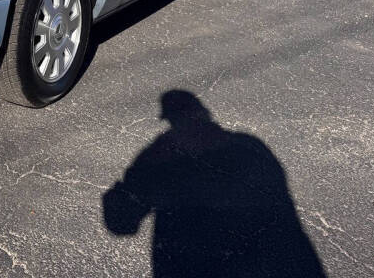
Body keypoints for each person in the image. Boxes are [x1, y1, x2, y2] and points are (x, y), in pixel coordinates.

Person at [103, 90, 325, 277]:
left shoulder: (161, 158)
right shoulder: (249, 147)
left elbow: (121, 222)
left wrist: (123, 191)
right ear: (203, 114)